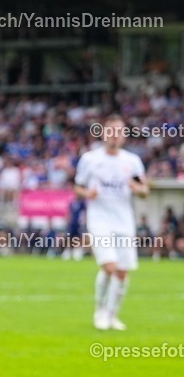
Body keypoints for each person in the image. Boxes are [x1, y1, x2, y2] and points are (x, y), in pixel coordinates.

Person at [74, 115, 148, 331]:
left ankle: (112, 315)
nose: (115, 136)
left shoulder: (131, 161)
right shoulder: (90, 159)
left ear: (124, 136)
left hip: (124, 221)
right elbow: (77, 187)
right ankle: (99, 311)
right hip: (100, 220)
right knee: (109, 267)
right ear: (104, 133)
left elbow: (144, 190)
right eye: (111, 131)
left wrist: (139, 189)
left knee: (122, 272)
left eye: (119, 132)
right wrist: (88, 192)